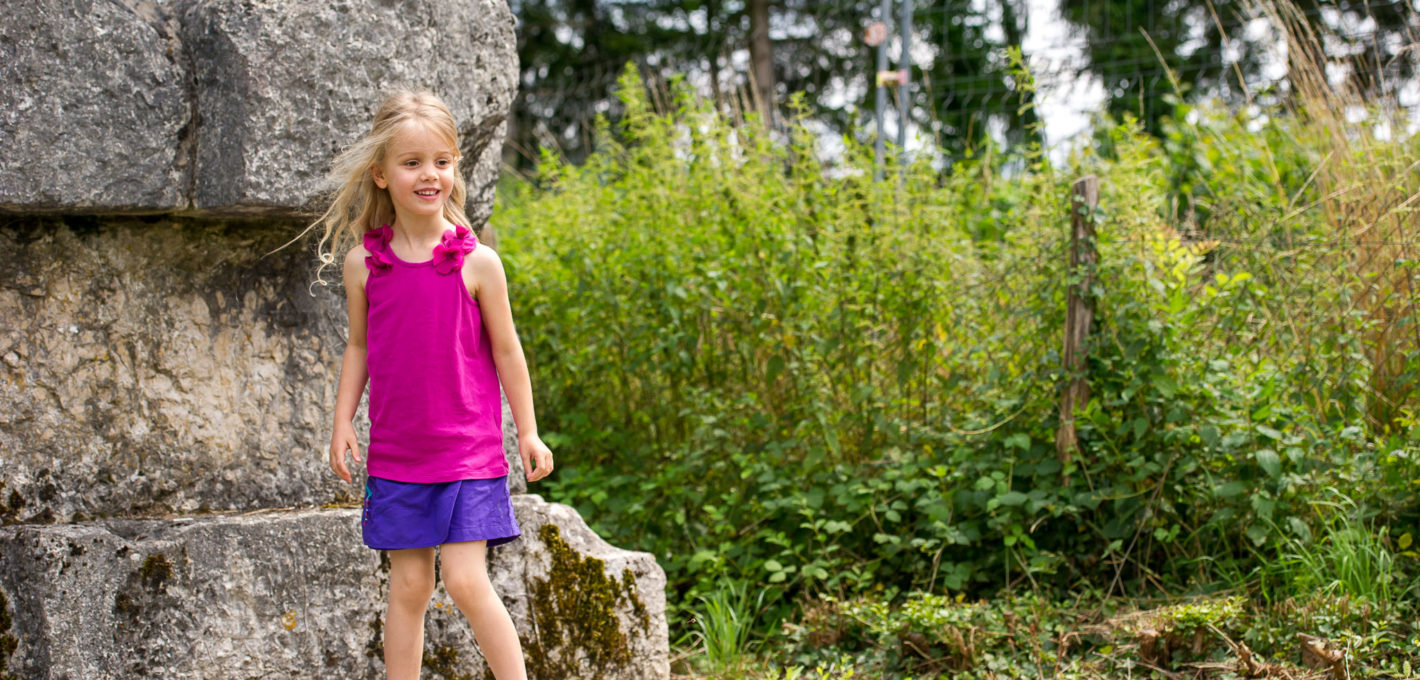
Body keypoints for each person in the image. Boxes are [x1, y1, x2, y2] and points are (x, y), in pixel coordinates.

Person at [313, 90, 553, 680]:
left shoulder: (478, 263)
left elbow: (507, 350)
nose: (430, 175)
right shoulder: (364, 266)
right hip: (397, 457)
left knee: (468, 582)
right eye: (413, 162)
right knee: (410, 585)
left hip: (469, 454)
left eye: (442, 161)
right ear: (381, 174)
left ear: (456, 168)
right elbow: (359, 347)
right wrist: (342, 422)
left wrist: (527, 431)